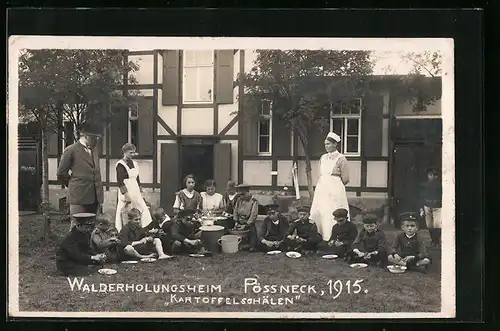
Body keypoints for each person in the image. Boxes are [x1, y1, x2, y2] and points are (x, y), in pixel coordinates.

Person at [56, 122, 104, 231]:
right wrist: (74, 185)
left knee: (91, 228)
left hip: (94, 197)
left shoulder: (94, 150)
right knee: (76, 228)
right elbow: (61, 173)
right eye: (95, 138)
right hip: (78, 198)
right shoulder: (71, 150)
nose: (97, 141)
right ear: (86, 136)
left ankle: (89, 248)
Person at [310, 132, 350, 242]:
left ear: (335, 144)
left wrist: (335, 186)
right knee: (322, 210)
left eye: (328, 144)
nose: (326, 146)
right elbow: (321, 173)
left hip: (335, 188)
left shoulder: (341, 158)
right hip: (322, 187)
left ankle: (333, 236)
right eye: (325, 144)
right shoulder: (323, 157)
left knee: (332, 210)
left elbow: (345, 178)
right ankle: (321, 235)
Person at [114, 143, 153, 231]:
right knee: (127, 210)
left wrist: (140, 190)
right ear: (124, 152)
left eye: (133, 153)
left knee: (142, 209)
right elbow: (120, 181)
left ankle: (142, 229)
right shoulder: (120, 164)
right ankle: (125, 230)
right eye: (130, 152)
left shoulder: (135, 163)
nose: (132, 155)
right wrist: (126, 195)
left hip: (135, 189)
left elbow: (137, 178)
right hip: (127, 189)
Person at [232, 183, 259, 252]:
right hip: (239, 221)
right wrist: (236, 221)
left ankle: (252, 245)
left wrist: (246, 225)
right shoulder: (239, 200)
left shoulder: (254, 201)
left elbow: (253, 215)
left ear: (247, 192)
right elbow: (235, 211)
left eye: (243, 194)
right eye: (240, 195)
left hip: (248, 222)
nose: (241, 196)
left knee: (252, 229)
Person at [420, 166, 442, 247]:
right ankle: (433, 240)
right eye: (431, 175)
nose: (433, 177)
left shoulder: (441, 185)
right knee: (429, 225)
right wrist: (421, 209)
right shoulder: (423, 185)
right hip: (427, 206)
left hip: (438, 206)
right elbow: (420, 197)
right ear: (427, 175)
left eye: (435, 175)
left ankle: (437, 240)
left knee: (437, 224)